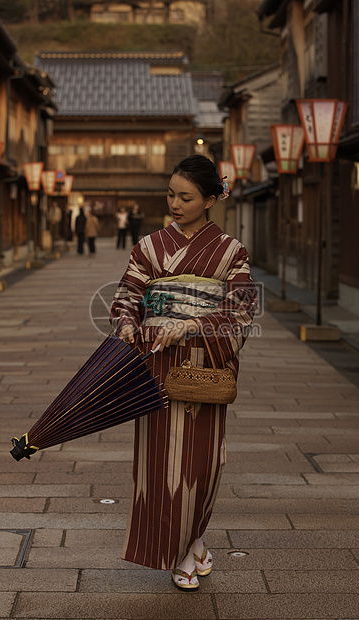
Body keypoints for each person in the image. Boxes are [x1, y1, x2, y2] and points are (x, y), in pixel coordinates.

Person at [110, 154, 257, 591]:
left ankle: (192, 540)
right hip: (155, 364)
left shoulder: (231, 251)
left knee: (203, 462)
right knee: (158, 465)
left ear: (211, 199)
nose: (175, 203)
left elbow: (242, 308)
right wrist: (128, 325)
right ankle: (186, 553)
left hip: (204, 366)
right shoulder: (149, 247)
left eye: (186, 197)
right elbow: (126, 295)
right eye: (171, 194)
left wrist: (193, 325)